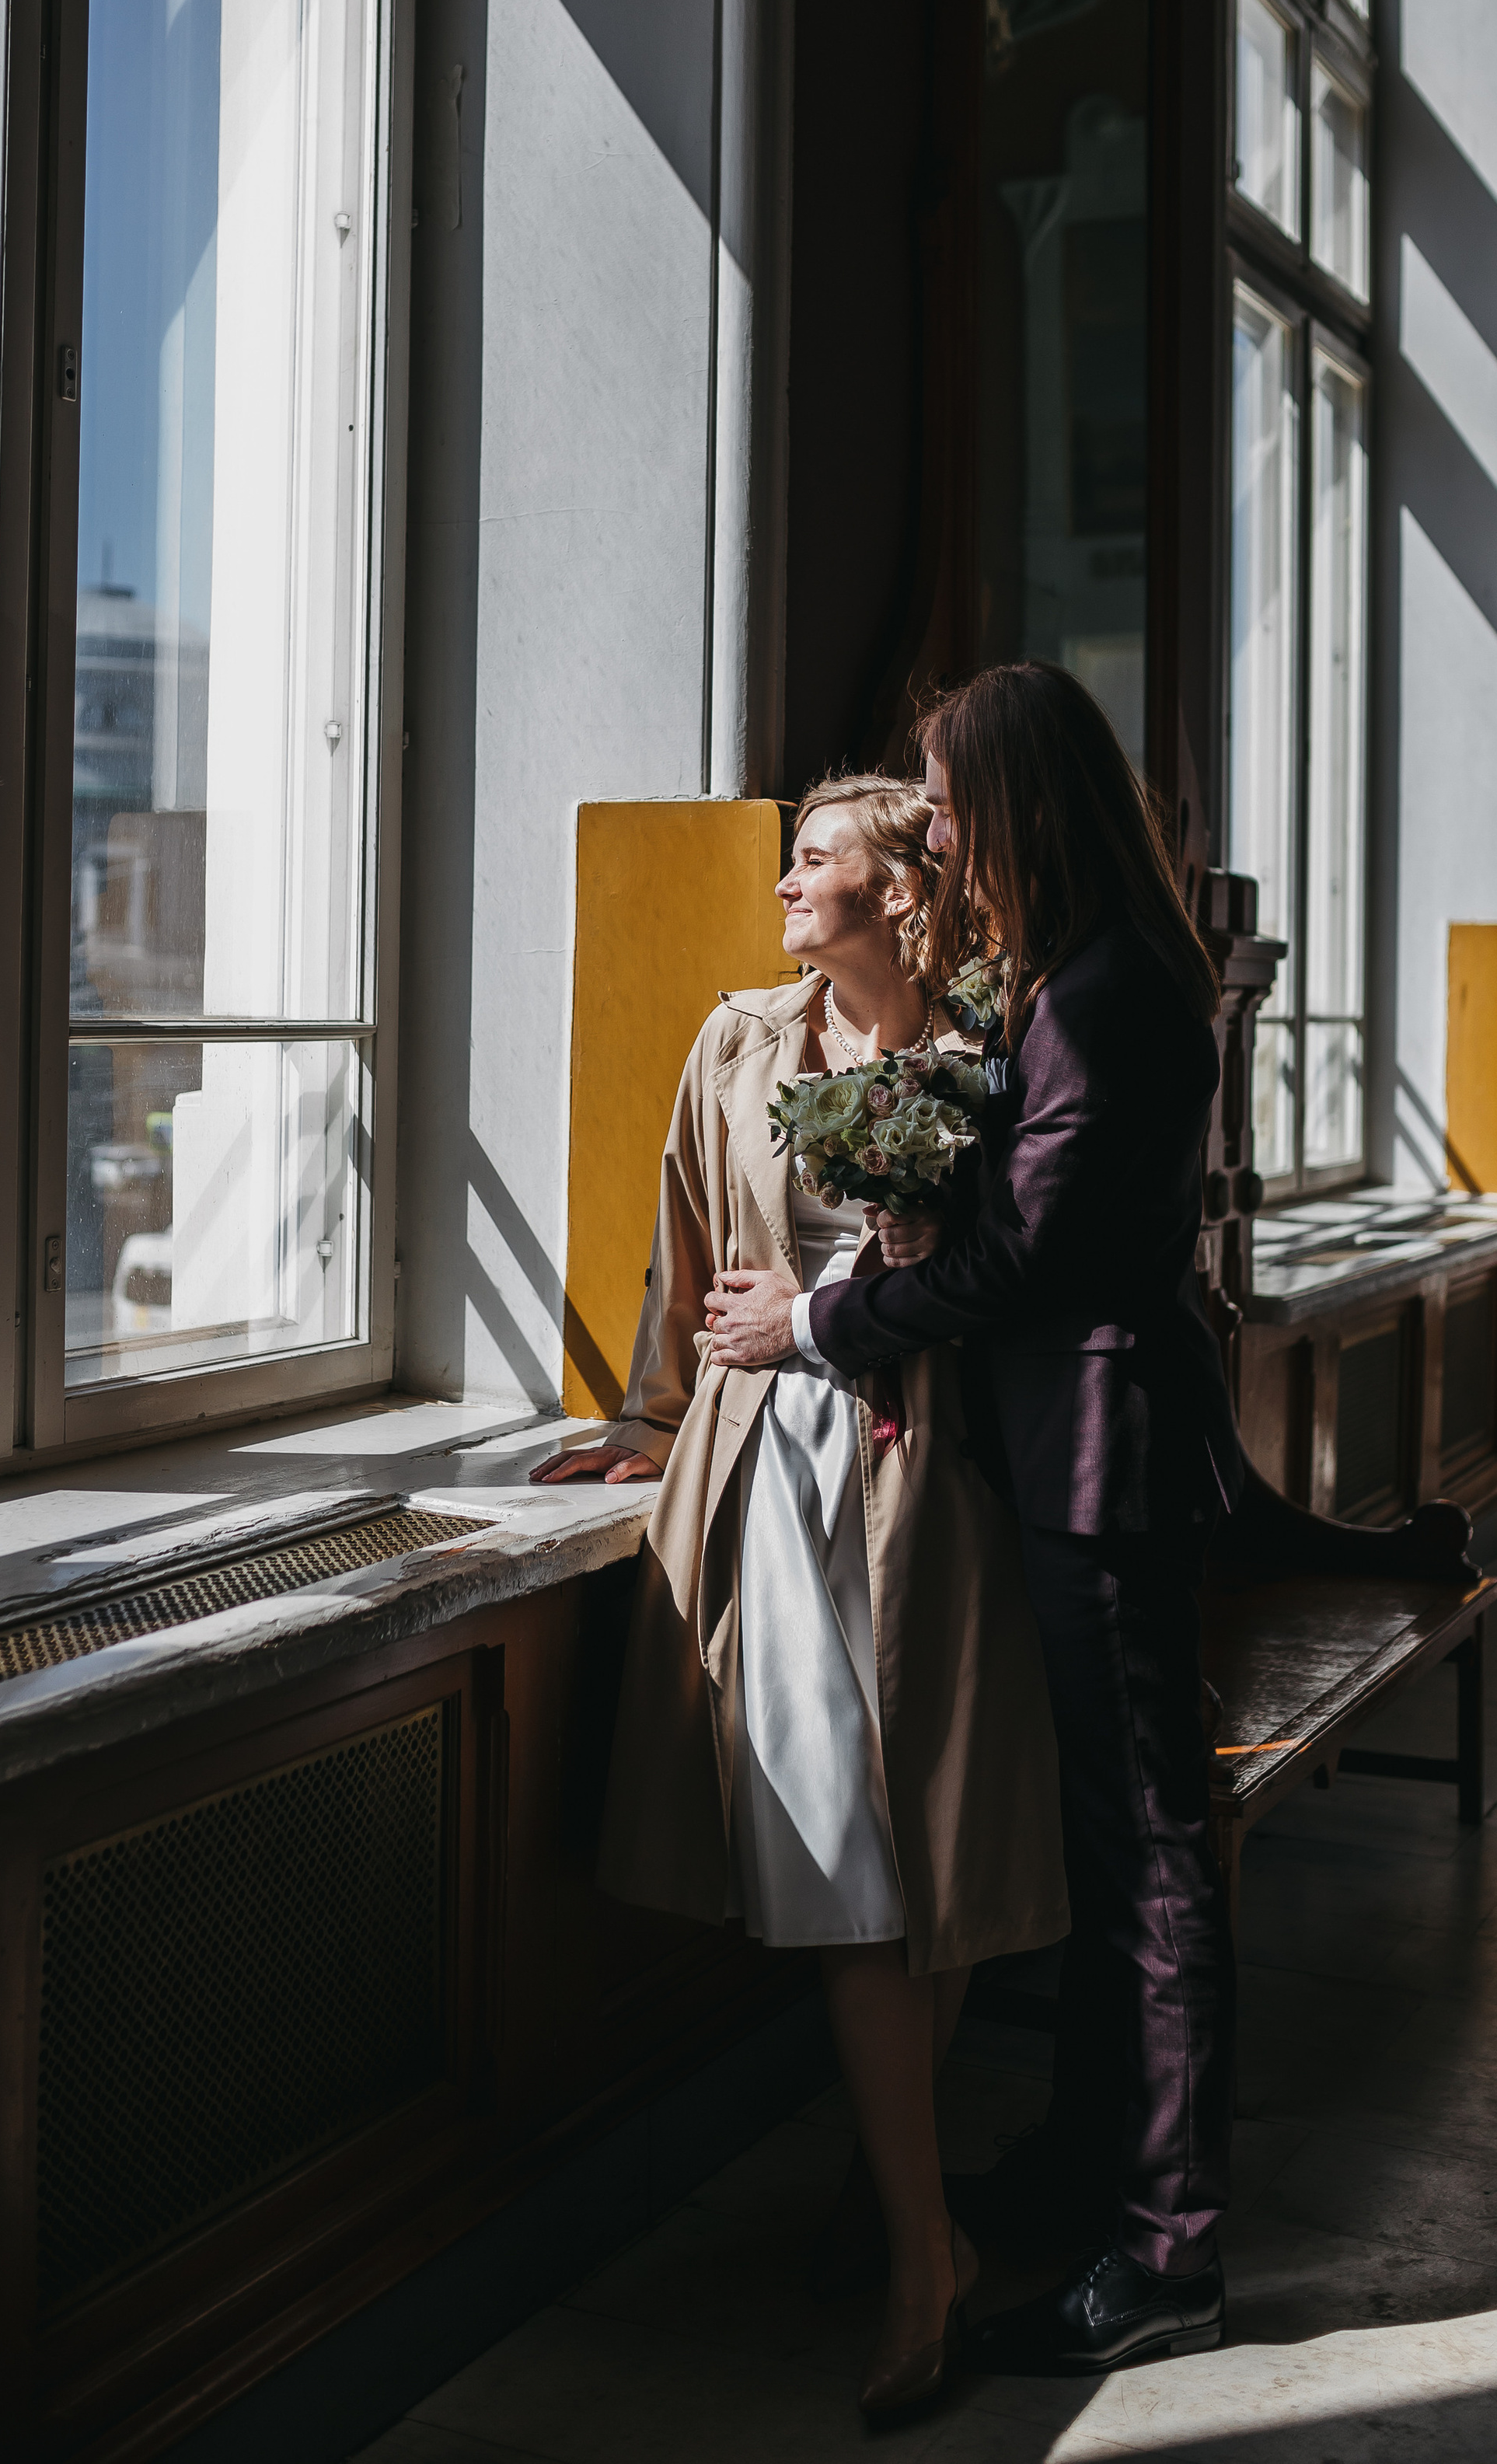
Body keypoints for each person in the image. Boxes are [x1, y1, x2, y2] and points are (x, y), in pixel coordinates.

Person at [707, 665, 1240, 2378]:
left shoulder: (1093, 995)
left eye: (942, 801)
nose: (930, 832)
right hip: (1065, 1453)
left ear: (1012, 798)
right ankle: (1095, 2174)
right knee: (1109, 1854)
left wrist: (808, 1324)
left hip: (1100, 1460)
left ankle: (1165, 2258)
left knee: (1149, 1861)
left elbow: (1031, 1260)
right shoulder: (1085, 974)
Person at [530, 773, 1069, 2420]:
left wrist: (866, 1312)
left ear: (901, 892)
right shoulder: (735, 1043)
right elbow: (681, 1253)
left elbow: (1032, 1282)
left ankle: (903, 2210)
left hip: (945, 1491)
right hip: (778, 1486)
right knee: (846, 1863)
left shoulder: (990, 1054)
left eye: (817, 858)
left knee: (936, 1851)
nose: (783, 881)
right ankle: (921, 2253)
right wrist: (646, 1418)